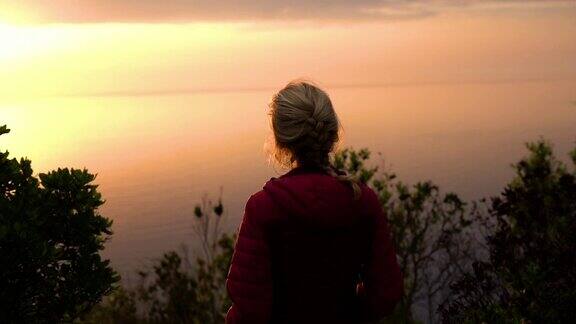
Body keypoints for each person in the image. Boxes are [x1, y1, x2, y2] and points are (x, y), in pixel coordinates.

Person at [226, 81, 403, 324]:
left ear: (280, 138)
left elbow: (249, 310)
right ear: (331, 134)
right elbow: (386, 294)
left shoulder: (264, 208)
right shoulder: (362, 201)